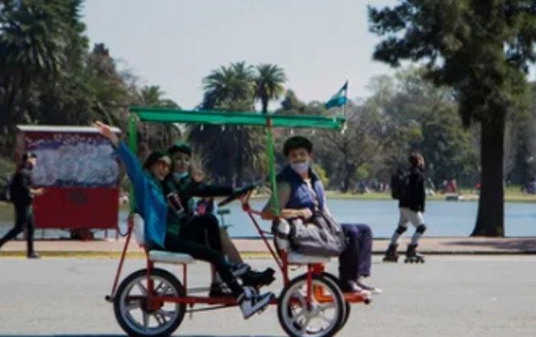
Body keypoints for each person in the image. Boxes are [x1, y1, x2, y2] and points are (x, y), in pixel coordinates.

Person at [93, 121, 274, 319]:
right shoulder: (145, 182)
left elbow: (201, 190)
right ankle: (244, 299)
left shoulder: (162, 186)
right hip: (165, 238)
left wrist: (234, 191)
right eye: (160, 165)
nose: (164, 169)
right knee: (215, 256)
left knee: (210, 222)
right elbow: (131, 163)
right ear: (150, 166)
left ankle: (231, 276)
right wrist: (113, 138)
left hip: (173, 234)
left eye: (166, 166)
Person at [261, 136, 379, 294]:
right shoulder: (285, 183)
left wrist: (334, 225)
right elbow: (268, 213)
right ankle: (347, 282)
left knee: (364, 231)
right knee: (351, 231)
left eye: (302, 154)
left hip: (321, 227)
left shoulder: (315, 180)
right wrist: (298, 212)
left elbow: (324, 209)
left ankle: (357, 277)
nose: (298, 158)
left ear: (310, 156)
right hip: (302, 232)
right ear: (288, 159)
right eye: (293, 155)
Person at [164, 143, 275, 297]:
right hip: (178, 232)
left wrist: (233, 191)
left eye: (186, 159)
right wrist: (195, 183)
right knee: (212, 224)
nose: (183, 163)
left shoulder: (185, 180)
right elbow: (182, 195)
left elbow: (207, 190)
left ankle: (231, 277)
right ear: (171, 162)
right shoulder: (168, 182)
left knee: (218, 231)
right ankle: (243, 275)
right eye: (178, 159)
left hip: (188, 227)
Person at [0, 152, 45, 259]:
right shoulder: (22, 173)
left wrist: (34, 192)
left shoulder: (27, 172)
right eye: (33, 159)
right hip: (22, 204)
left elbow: (27, 188)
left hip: (28, 204)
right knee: (20, 228)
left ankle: (30, 252)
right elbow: (24, 188)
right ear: (28, 160)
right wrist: (35, 192)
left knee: (31, 227)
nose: (35, 162)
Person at [384, 152, 427, 263]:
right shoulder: (418, 174)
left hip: (402, 204)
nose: (423, 162)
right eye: (422, 160)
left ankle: (391, 250)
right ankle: (411, 249)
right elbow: (419, 193)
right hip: (411, 206)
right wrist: (420, 207)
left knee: (401, 227)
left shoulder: (407, 173)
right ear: (418, 161)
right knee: (421, 227)